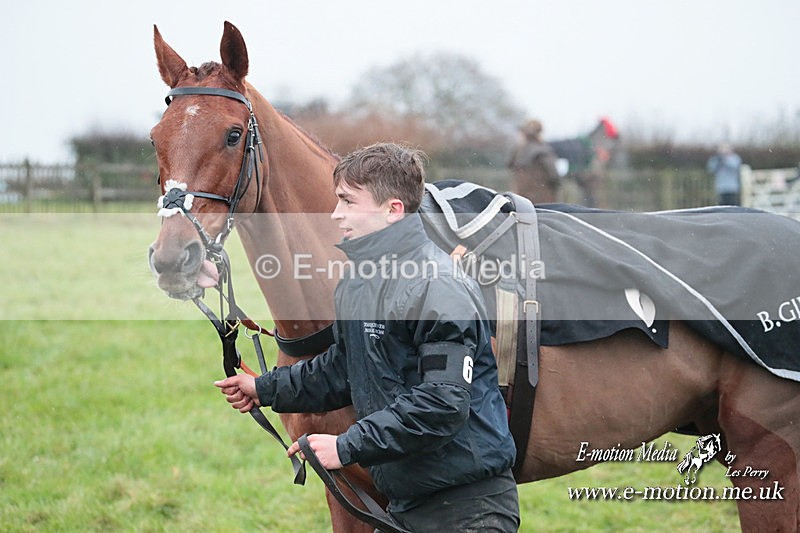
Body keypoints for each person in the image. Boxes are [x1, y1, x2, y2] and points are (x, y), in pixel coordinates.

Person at [215, 142, 520, 532]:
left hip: (466, 510)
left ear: (393, 210)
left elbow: (442, 403)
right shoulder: (359, 281)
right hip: (407, 505)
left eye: (348, 202)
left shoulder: (438, 286)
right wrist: (266, 388)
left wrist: (345, 446)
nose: (335, 214)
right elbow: (344, 367)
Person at [508, 119, 561, 204]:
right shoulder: (544, 151)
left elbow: (510, 166)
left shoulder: (519, 151)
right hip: (542, 201)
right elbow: (554, 175)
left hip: (520, 201)